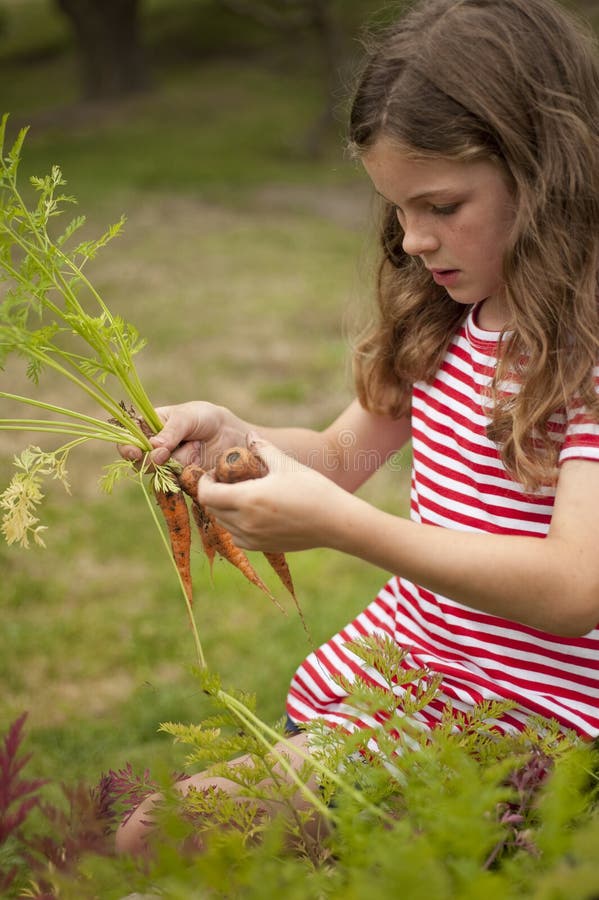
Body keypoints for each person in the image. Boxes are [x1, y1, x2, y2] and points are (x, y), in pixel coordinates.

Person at [116, 0, 599, 855]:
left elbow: (572, 590)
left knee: (161, 841)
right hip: (412, 674)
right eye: (397, 209)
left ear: (545, 169)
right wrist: (239, 435)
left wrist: (349, 532)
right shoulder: (455, 314)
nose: (411, 240)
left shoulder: (585, 352)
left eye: (441, 205)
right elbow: (340, 455)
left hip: (528, 719)